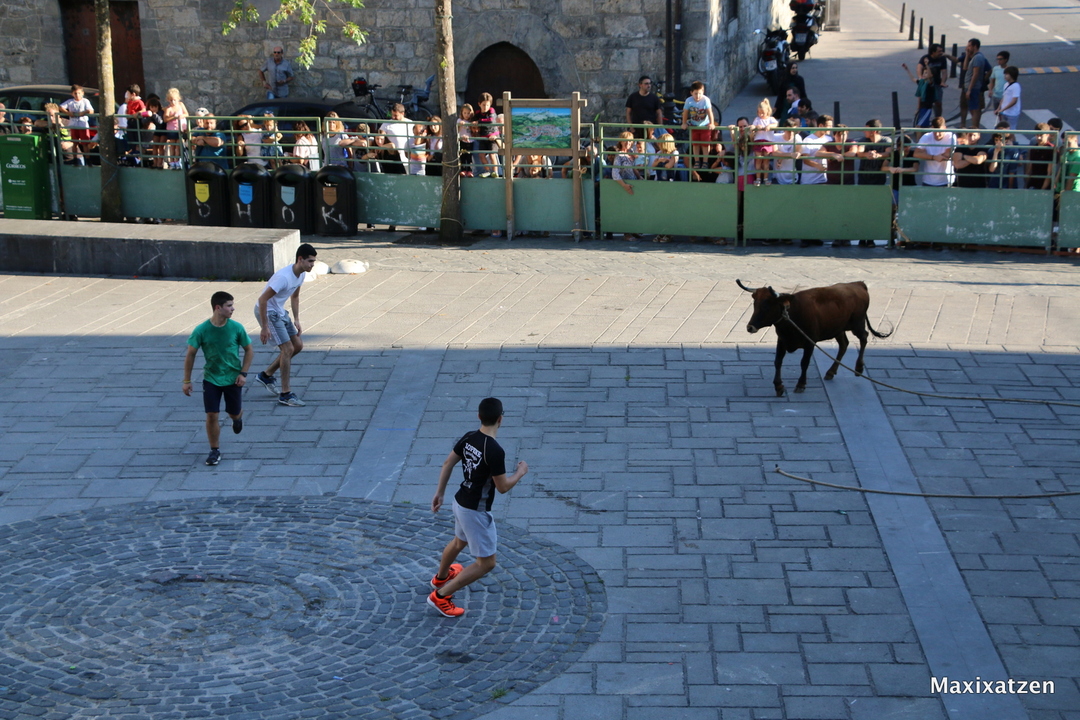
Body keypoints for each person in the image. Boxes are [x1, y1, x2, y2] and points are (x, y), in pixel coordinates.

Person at [428, 397, 529, 618]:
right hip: (475, 511)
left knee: (459, 542)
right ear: (500, 419)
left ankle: (441, 578)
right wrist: (520, 472)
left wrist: (440, 493)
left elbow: (447, 463)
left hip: (460, 501)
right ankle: (441, 596)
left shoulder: (469, 437)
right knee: (487, 563)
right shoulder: (494, 450)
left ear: (479, 416)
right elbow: (502, 487)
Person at [183, 291, 253, 467]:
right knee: (212, 414)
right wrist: (187, 381)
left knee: (233, 412)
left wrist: (243, 373)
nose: (233, 309)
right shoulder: (201, 330)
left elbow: (249, 350)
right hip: (211, 378)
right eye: (229, 306)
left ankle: (237, 418)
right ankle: (214, 450)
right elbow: (190, 354)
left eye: (232, 305)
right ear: (218, 308)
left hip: (233, 378)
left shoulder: (236, 328)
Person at [254, 243, 318, 407]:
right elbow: (262, 300)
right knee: (287, 349)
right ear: (300, 259)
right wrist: (264, 327)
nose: (312, 265)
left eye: (314, 261)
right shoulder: (283, 277)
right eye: (310, 261)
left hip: (280, 311)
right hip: (268, 311)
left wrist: (296, 319)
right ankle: (285, 394)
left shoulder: (301, 274)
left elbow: (295, 297)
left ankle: (266, 375)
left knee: (297, 345)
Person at [681, 81, 715, 177]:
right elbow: (685, 112)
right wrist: (684, 123)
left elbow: (710, 112)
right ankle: (697, 161)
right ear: (691, 93)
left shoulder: (705, 100)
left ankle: (705, 161)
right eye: (695, 93)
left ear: (703, 92)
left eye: (700, 93)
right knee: (695, 144)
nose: (698, 96)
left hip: (705, 125)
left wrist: (712, 123)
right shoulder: (689, 101)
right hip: (694, 125)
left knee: (705, 144)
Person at [913, 116, 956, 187]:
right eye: (935, 131)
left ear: (945, 128)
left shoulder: (950, 136)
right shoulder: (926, 136)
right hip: (928, 180)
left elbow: (948, 154)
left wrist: (926, 155)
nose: (937, 134)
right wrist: (933, 157)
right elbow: (916, 153)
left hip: (946, 181)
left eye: (940, 131)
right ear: (932, 128)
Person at [959, 38, 992, 129]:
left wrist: (969, 89)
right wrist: (967, 54)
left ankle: (975, 128)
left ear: (975, 46)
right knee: (971, 108)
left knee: (975, 109)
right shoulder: (974, 57)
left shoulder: (978, 57)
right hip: (970, 86)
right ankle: (974, 127)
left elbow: (975, 74)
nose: (967, 47)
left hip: (973, 87)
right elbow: (965, 68)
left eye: (969, 46)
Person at [60, 85, 94, 164]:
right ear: (72, 94)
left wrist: (83, 112)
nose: (77, 95)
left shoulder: (85, 101)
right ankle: (75, 159)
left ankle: (88, 160)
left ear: (82, 93)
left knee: (85, 144)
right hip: (73, 125)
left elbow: (91, 111)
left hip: (83, 125)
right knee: (75, 143)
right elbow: (61, 107)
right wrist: (68, 113)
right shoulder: (70, 101)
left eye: (79, 93)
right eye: (75, 93)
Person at [376, 103, 412, 175]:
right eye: (392, 115)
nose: (393, 117)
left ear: (402, 113)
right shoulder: (386, 124)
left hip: (408, 158)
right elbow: (380, 136)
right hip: (394, 158)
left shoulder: (410, 123)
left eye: (396, 115)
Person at [750, 99, 778, 185]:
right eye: (759, 113)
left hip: (767, 142)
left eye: (763, 113)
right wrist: (755, 127)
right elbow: (752, 126)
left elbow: (776, 124)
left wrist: (769, 126)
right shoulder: (757, 119)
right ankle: (758, 178)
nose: (761, 115)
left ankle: (765, 178)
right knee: (758, 160)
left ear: (767, 111)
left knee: (766, 161)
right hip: (758, 141)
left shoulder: (771, 119)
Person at [917, 44, 949, 118]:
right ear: (933, 52)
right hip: (927, 83)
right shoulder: (925, 58)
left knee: (938, 102)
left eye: (941, 51)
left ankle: (938, 118)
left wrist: (943, 82)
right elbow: (919, 67)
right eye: (939, 51)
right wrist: (920, 77)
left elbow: (944, 72)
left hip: (937, 83)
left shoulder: (942, 58)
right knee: (924, 102)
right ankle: (922, 117)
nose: (941, 53)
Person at [474, 93, 501, 177]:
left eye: (487, 105)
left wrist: (479, 122)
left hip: (492, 136)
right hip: (483, 137)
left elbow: (491, 120)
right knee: (481, 155)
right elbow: (473, 119)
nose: (485, 107)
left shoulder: (491, 111)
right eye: (483, 105)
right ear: (479, 104)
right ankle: (488, 170)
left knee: (492, 154)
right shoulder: (478, 113)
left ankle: (495, 171)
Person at [162, 88, 189, 170]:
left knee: (179, 146)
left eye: (174, 100)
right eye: (171, 100)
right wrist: (174, 117)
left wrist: (182, 116)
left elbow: (186, 113)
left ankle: (177, 161)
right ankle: (172, 162)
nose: (173, 102)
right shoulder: (168, 108)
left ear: (178, 99)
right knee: (172, 146)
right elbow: (165, 119)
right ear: (168, 100)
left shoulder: (181, 105)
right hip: (172, 129)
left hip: (181, 129)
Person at [1027, 123, 1055, 191]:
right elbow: (1030, 169)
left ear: (1048, 135)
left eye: (1041, 135)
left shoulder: (1051, 149)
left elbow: (1050, 173)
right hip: (1032, 184)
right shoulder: (1033, 148)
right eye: (1037, 135)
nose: (1038, 137)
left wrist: (1042, 190)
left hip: (1045, 187)